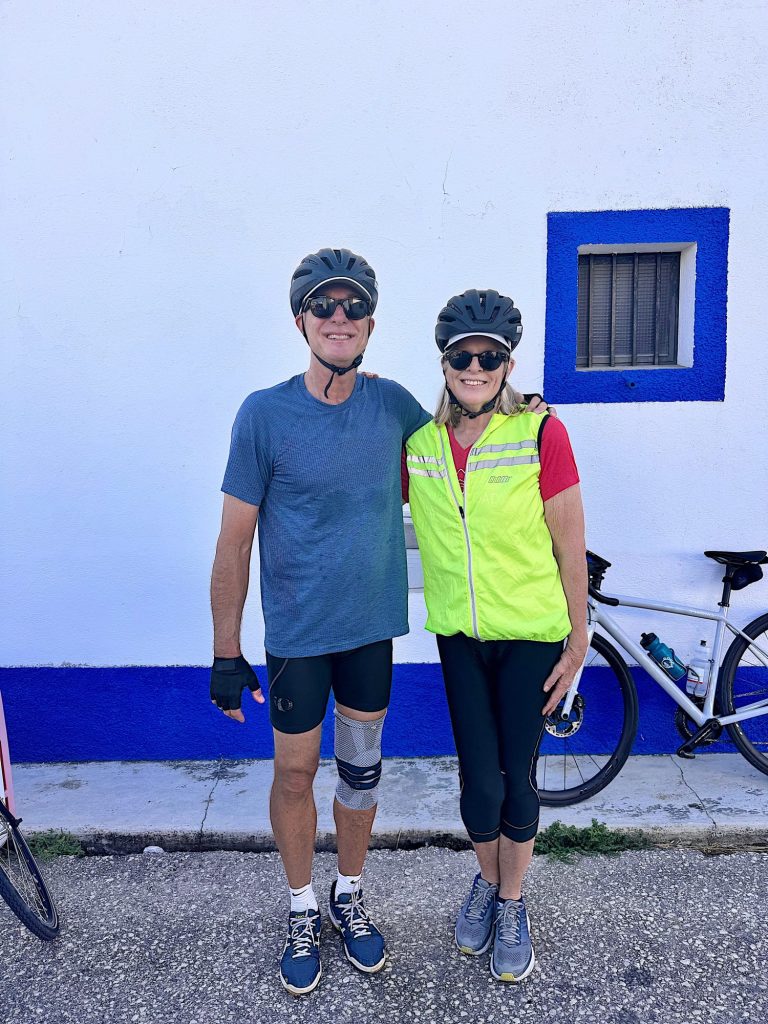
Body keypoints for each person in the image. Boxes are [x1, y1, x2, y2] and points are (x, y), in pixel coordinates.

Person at [209, 252, 548, 996]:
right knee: (295, 773)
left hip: (370, 634)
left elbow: (463, 424)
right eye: (323, 306)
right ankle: (302, 907)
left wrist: (520, 407)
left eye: (352, 307)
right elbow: (234, 542)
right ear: (300, 319)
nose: (339, 318)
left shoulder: (393, 404)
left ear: (370, 323)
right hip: (298, 640)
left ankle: (349, 897)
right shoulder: (263, 414)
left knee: (361, 774)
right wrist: (226, 653)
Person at [403, 289, 587, 983]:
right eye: (462, 355)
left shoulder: (542, 433)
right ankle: (487, 879)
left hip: (534, 635)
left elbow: (570, 541)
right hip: (459, 635)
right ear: (444, 362)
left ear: (508, 363)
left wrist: (579, 635)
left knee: (517, 779)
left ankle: (511, 900)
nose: (474, 367)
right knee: (478, 783)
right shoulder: (419, 445)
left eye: (490, 356)